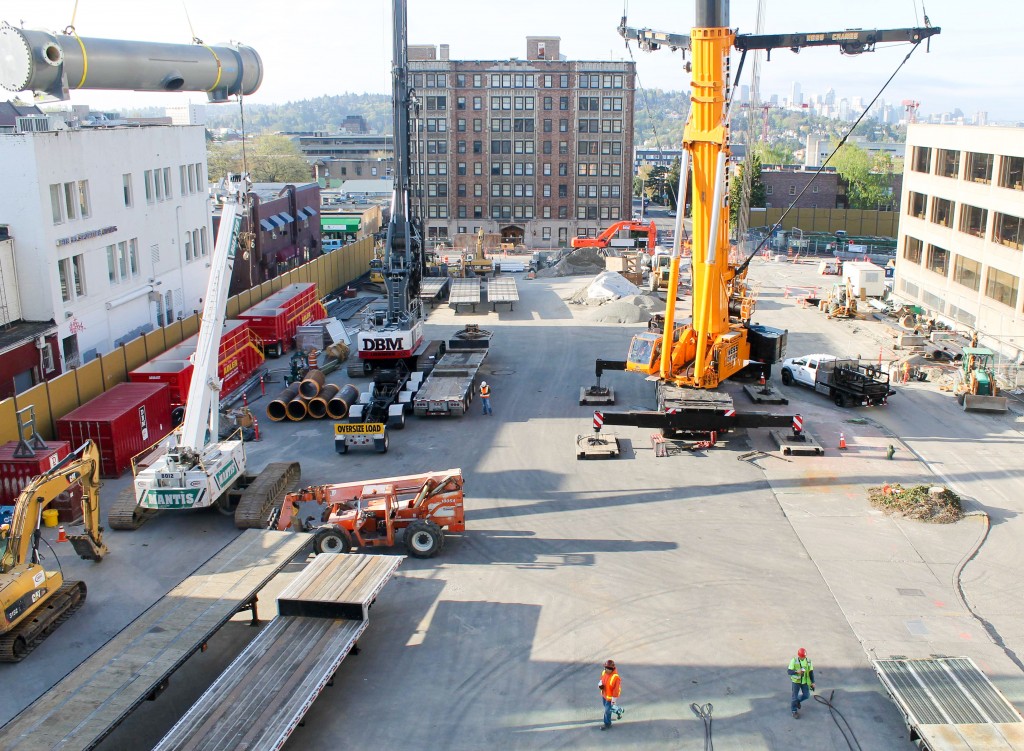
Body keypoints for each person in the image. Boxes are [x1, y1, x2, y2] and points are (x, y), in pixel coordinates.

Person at [788, 648, 815, 718]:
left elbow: (811, 672)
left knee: (806, 695)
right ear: (799, 656)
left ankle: (797, 701)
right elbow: (789, 672)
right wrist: (797, 672)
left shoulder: (809, 661)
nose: (804, 658)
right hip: (796, 682)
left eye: (804, 656)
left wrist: (813, 682)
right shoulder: (794, 661)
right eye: (802, 656)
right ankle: (794, 711)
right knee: (794, 697)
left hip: (804, 682)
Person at [598, 659, 623, 730]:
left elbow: (616, 690)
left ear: (612, 669)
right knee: (609, 708)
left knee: (607, 710)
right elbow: (601, 680)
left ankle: (607, 724)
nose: (606, 670)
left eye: (608, 668)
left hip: (610, 698)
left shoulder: (616, 678)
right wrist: (600, 685)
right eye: (605, 668)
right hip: (604, 695)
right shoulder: (604, 673)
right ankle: (619, 711)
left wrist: (613, 701)